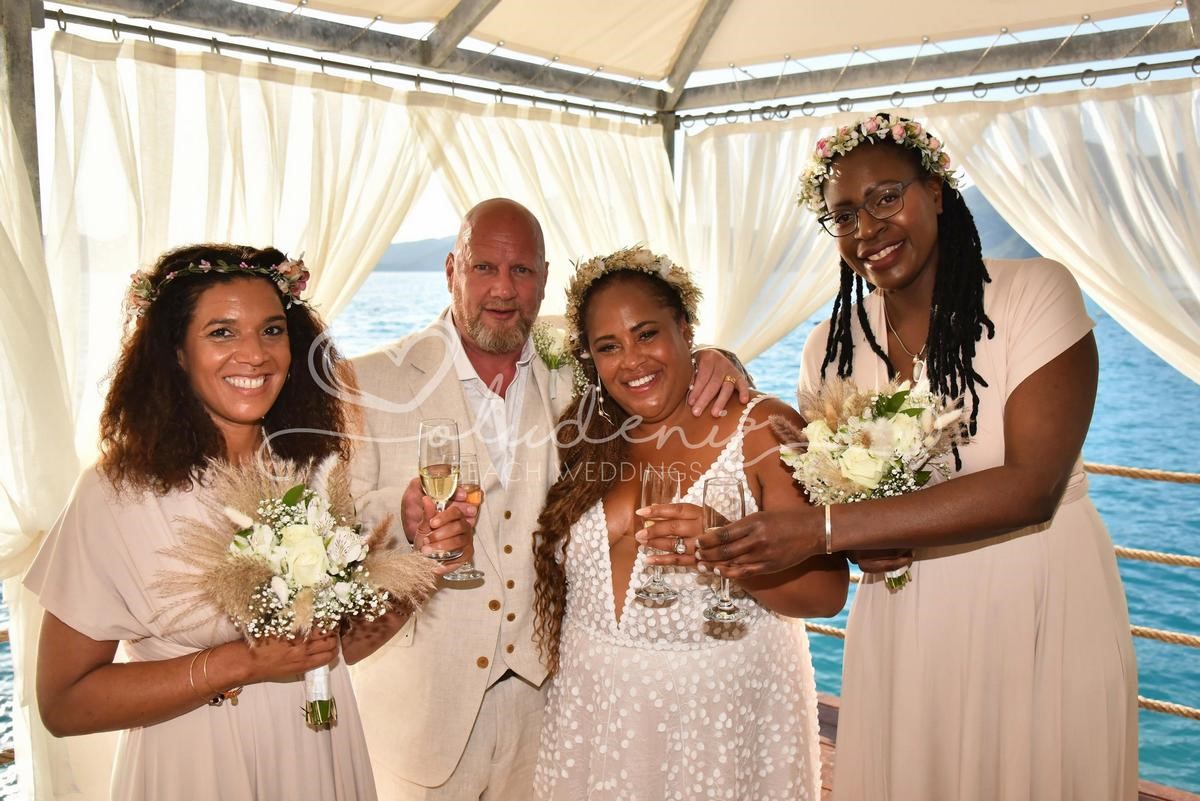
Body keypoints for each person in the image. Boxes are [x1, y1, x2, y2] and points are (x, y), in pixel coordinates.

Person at [674, 113, 1139, 800]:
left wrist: (826, 530)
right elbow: (815, 481)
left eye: (886, 198)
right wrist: (724, 362)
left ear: (937, 192)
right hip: (906, 613)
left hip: (1038, 594)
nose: (867, 229)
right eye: (844, 216)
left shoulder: (1034, 294)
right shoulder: (828, 349)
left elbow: (1032, 486)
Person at [347, 198, 752, 800]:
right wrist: (401, 521)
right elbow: (339, 529)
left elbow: (645, 363)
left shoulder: (572, 373)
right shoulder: (369, 380)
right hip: (422, 714)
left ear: (543, 280)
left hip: (546, 708)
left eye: (522, 270)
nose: (503, 289)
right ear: (452, 270)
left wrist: (717, 359)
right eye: (484, 268)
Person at [25, 244, 381, 799]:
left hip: (316, 753)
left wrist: (429, 558)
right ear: (176, 353)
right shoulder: (116, 494)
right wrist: (239, 663)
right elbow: (64, 704)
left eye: (272, 330)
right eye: (221, 332)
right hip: (196, 767)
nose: (255, 354)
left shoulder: (311, 469)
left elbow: (339, 647)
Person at [529, 246, 848, 801]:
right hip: (591, 716)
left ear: (685, 328)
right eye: (609, 346)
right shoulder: (584, 431)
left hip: (714, 726)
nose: (632, 361)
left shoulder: (765, 429)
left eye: (647, 334)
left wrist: (730, 551)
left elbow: (826, 594)